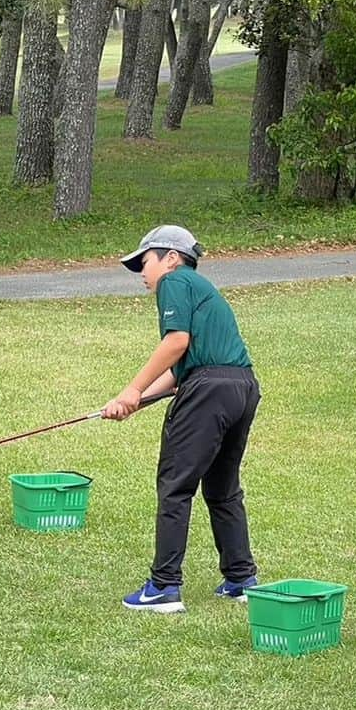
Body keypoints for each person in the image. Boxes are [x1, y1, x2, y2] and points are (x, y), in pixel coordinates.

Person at [103, 225, 260, 613]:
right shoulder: (199, 290)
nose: (141, 271)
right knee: (223, 488)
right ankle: (241, 578)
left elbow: (176, 344)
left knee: (175, 485)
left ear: (171, 258)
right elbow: (183, 369)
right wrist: (138, 400)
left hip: (209, 389)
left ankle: (164, 586)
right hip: (241, 386)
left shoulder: (175, 282)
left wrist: (131, 389)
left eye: (145, 261)